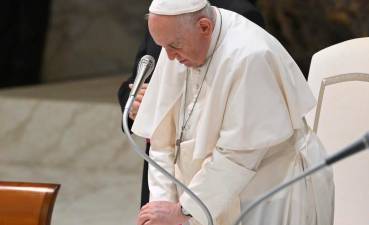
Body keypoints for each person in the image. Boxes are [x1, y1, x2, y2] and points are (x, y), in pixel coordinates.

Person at [132, 0, 334, 225]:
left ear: (205, 27)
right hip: (208, 193)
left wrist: (184, 211)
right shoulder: (176, 44)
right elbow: (161, 141)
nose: (169, 57)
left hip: (272, 191)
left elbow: (238, 157)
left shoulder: (250, 55)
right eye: (164, 47)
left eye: (174, 47)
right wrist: (162, 204)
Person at [117, 0, 265, 208]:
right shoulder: (164, 10)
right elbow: (138, 78)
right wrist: (133, 104)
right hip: (164, 161)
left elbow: (245, 107)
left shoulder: (239, 14)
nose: (170, 56)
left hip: (212, 170)